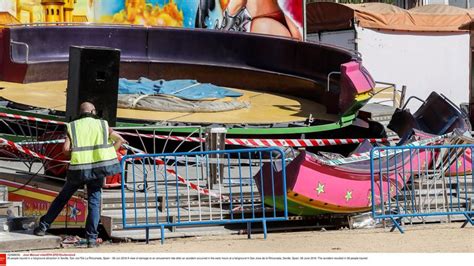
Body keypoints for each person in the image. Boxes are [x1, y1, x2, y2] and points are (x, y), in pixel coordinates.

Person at [33, 102, 125, 248]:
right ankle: (92, 239)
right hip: (98, 169)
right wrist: (109, 153)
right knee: (94, 202)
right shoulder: (102, 125)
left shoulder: (73, 126)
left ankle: (43, 227)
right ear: (93, 111)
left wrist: (77, 152)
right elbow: (120, 140)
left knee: (63, 198)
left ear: (81, 112)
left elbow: (65, 150)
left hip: (78, 169)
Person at [218, 0, 302, 40]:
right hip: (281, 21)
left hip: (266, 25)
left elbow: (236, 4)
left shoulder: (261, 24)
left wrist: (222, 30)